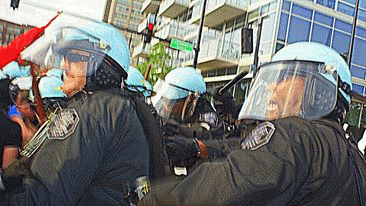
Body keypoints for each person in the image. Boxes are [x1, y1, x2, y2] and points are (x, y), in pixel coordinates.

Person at [138, 42, 366, 205]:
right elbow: (248, 148)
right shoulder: (351, 154)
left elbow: (228, 186)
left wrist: (152, 198)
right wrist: (198, 147)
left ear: (319, 91)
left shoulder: (296, 134)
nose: (272, 87)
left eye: (284, 77)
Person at [0, 16, 151, 205]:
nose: (64, 65)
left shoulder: (93, 112)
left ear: (100, 65)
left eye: (72, 57)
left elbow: (47, 196)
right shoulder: (115, 107)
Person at [152, 67, 235, 173]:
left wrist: (175, 128)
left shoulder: (208, 118)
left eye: (173, 102)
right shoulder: (180, 117)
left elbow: (203, 137)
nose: (167, 107)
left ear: (191, 100)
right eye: (166, 100)